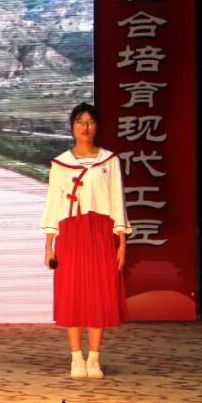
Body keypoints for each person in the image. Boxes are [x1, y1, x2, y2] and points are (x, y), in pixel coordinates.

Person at [40, 103, 130, 379]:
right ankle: (76, 358)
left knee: (99, 292)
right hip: (70, 231)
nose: (85, 127)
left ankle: (94, 358)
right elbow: (53, 204)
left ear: (97, 126)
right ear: (72, 127)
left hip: (101, 230)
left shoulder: (109, 161)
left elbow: (117, 200)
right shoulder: (60, 163)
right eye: (80, 121)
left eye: (90, 121)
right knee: (73, 292)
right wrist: (49, 244)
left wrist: (121, 243)